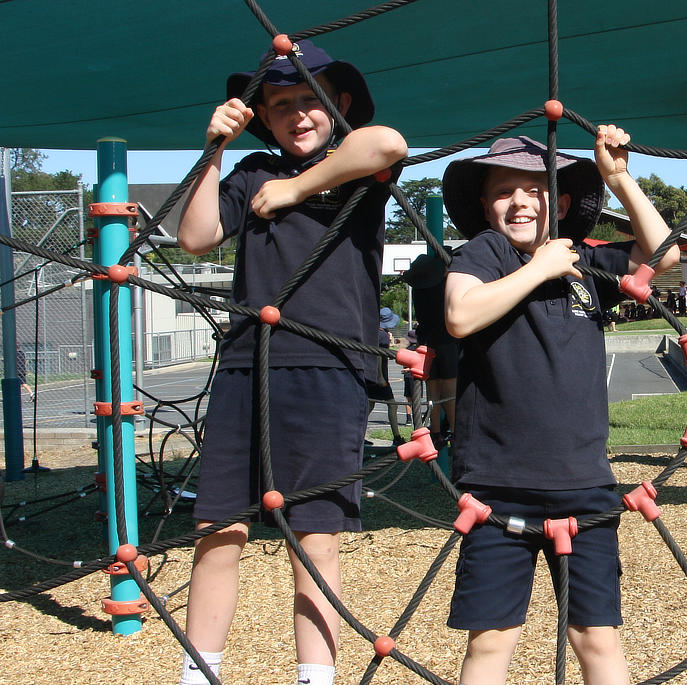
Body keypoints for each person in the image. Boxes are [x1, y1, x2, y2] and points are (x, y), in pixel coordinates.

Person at [174, 39, 407, 685]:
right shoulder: (250, 171)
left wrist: (296, 189)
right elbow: (194, 236)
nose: (298, 114)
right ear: (262, 117)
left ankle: (315, 676)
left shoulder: (353, 166)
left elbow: (386, 143)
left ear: (342, 105)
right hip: (250, 364)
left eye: (312, 100)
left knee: (314, 537)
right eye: (280, 105)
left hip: (332, 366)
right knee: (219, 528)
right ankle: (201, 672)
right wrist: (216, 148)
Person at [440, 129, 679, 685]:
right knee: (491, 640)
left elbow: (662, 256)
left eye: (535, 188)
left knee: (595, 638)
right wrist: (538, 269)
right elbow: (459, 314)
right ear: (484, 203)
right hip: (497, 484)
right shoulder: (487, 252)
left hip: (583, 480)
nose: (520, 201)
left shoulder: (587, 264)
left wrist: (619, 177)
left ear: (563, 203)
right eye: (504, 190)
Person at [403, 253, 459, 447]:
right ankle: (454, 431)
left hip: (426, 343)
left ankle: (436, 432)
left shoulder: (419, 291)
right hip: (447, 341)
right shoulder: (444, 287)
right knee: (450, 392)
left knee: (432, 391)